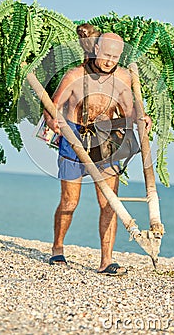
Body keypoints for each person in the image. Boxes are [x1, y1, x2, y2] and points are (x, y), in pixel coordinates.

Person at [44, 28, 151, 275]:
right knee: (70, 201)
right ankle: (57, 248)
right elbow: (51, 108)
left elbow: (128, 111)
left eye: (115, 57)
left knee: (109, 202)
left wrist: (141, 118)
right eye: (106, 55)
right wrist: (53, 123)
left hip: (106, 138)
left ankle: (106, 260)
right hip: (74, 136)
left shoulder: (124, 78)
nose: (109, 61)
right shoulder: (75, 75)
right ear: (95, 50)